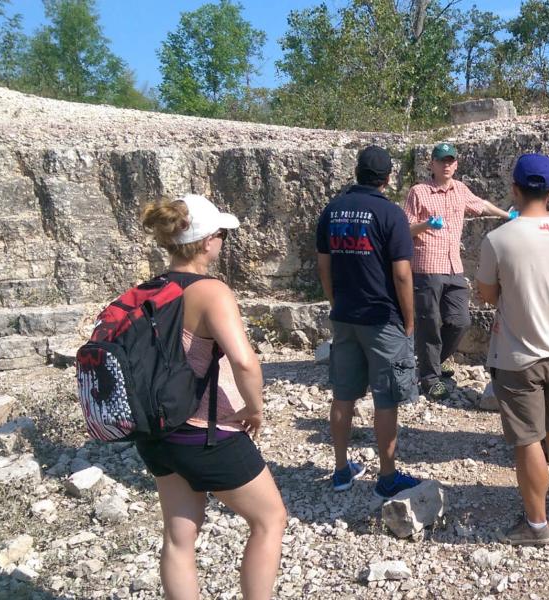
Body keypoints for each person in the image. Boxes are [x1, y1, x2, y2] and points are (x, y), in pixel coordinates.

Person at [137, 194, 286, 600]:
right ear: (206, 242)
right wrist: (253, 409)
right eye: (221, 234)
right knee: (270, 519)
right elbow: (245, 362)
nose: (222, 241)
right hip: (203, 431)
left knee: (179, 535)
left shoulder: (149, 289)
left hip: (155, 432)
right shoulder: (211, 292)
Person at [476, 153, 549, 545]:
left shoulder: (498, 239)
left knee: (527, 440)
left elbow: (487, 295)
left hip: (516, 355)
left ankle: (536, 525)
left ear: (514, 189)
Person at [316, 145, 422, 499]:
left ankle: (341, 469)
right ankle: (387, 476)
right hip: (382, 317)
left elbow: (324, 265)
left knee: (343, 396)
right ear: (388, 178)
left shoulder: (332, 211)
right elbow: (402, 274)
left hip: (345, 316)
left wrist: (336, 303)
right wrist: (409, 320)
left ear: (357, 173)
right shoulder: (391, 214)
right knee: (385, 399)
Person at [404, 142, 515, 401]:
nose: (446, 165)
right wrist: (425, 225)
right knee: (429, 323)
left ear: (456, 164)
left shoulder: (460, 189)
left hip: (454, 267)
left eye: (450, 161)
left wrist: (506, 216)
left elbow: (481, 205)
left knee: (460, 321)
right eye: (441, 160)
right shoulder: (419, 192)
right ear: (431, 164)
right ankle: (430, 378)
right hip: (427, 267)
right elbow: (405, 228)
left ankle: (430, 363)